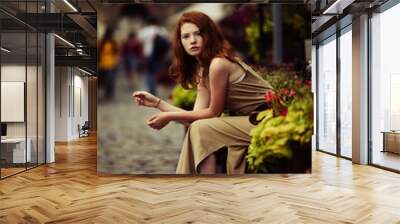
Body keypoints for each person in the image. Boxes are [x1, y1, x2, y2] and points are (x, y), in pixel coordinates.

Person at [132, 11, 273, 174]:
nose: (192, 41)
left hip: (268, 118)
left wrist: (169, 116)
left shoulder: (218, 64)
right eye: (186, 36)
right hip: (250, 121)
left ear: (209, 35)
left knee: (201, 129)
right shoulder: (204, 70)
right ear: (180, 43)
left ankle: (202, 187)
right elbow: (196, 116)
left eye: (198, 34)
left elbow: (213, 113)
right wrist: (158, 103)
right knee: (198, 127)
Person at [99, 28, 119, 100]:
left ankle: (109, 94)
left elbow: (116, 53)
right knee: (106, 80)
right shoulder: (102, 42)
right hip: (103, 64)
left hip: (111, 64)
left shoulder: (113, 43)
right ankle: (107, 93)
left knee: (110, 80)